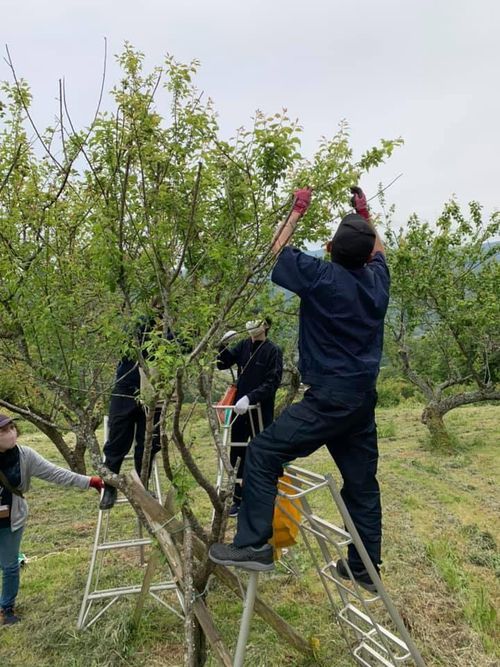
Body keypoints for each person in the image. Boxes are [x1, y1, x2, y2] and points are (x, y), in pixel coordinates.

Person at [209, 185, 390, 591]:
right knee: (362, 486)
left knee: (262, 453)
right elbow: (379, 252)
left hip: (328, 398)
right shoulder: (378, 283)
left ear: (328, 248)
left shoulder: (321, 277)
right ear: (366, 256)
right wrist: (365, 215)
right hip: (362, 401)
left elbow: (277, 249)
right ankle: (366, 570)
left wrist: (296, 210)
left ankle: (254, 545)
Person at [0, 413, 103, 626]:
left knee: (10, 565)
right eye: (3, 431)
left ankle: (6, 607)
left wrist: (90, 481)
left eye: (11, 428)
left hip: (11, 519)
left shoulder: (25, 455)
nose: (10, 433)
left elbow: (55, 473)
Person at [100, 307, 169, 510]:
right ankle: (109, 488)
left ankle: (142, 486)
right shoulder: (138, 322)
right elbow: (132, 345)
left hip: (153, 388)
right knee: (117, 440)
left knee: (149, 442)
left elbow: (183, 345)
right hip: (126, 387)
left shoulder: (169, 327)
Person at [217, 318, 283, 517]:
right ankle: (237, 499)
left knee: (260, 452)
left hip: (259, 410)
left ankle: (261, 498)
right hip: (240, 410)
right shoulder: (244, 345)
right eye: (250, 320)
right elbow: (223, 363)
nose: (252, 324)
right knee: (237, 452)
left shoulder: (273, 351)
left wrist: (250, 397)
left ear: (266, 326)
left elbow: (273, 382)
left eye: (257, 321)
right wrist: (222, 345)